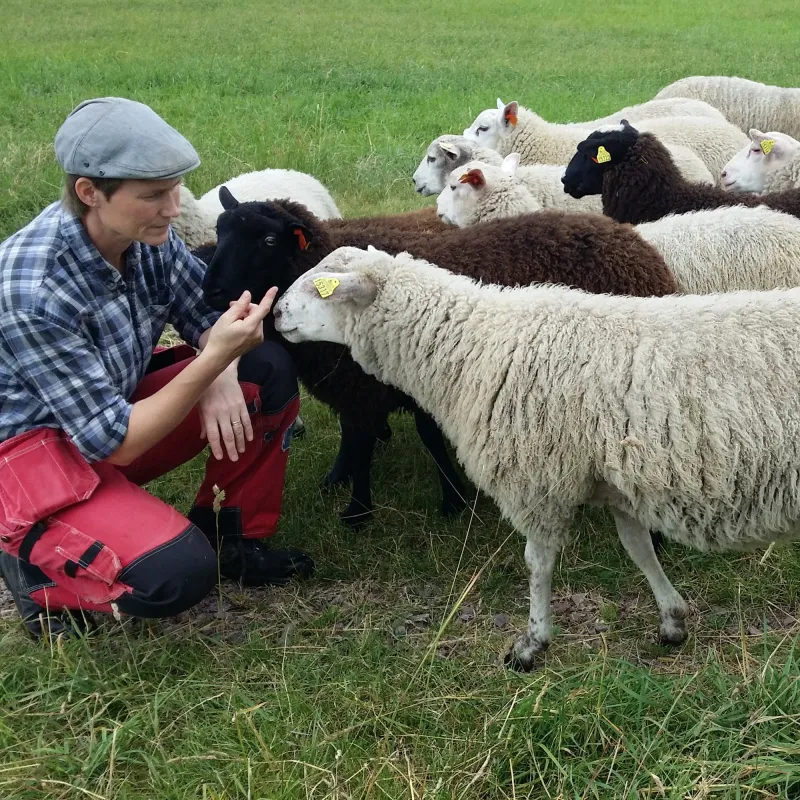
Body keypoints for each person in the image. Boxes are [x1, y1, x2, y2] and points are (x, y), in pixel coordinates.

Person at [0, 97, 314, 640]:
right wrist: (213, 360)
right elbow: (115, 443)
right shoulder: (34, 290)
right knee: (174, 578)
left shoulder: (144, 239)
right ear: (89, 193)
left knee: (262, 366)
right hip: (32, 458)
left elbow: (208, 315)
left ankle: (231, 537)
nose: (174, 208)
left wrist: (218, 373)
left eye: (174, 189)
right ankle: (33, 567)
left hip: (103, 416)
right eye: (152, 195)